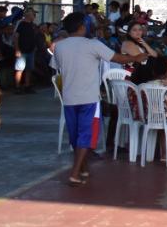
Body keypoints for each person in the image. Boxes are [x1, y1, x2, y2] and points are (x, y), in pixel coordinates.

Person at [53, 11, 148, 186]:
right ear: (82, 27)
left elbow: (57, 69)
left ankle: (83, 168)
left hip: (69, 97)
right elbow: (117, 58)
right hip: (89, 97)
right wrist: (136, 57)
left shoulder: (59, 47)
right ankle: (75, 173)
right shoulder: (93, 44)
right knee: (86, 134)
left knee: (74, 135)